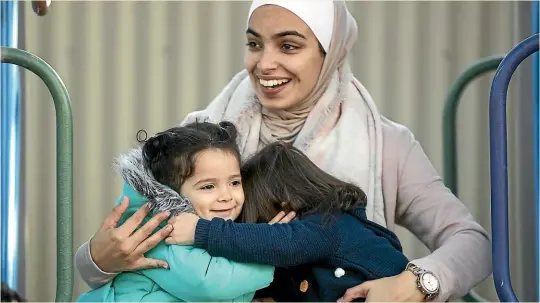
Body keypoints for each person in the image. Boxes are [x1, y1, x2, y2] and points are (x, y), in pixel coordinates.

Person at [75, 0, 492, 301]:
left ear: (331, 53)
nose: (264, 63)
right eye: (255, 44)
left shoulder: (388, 144)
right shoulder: (202, 138)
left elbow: (472, 242)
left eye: (288, 46)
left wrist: (417, 283)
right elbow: (130, 267)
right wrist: (99, 259)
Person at [165, 141, 411, 302]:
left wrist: (202, 231)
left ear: (284, 203)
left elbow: (284, 244)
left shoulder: (330, 225)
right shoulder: (302, 259)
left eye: (256, 221)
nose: (254, 230)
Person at [76, 121, 275, 302]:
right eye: (208, 187)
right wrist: (269, 254)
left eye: (234, 182)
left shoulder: (204, 224)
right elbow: (208, 283)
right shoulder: (160, 230)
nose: (226, 196)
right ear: (172, 191)